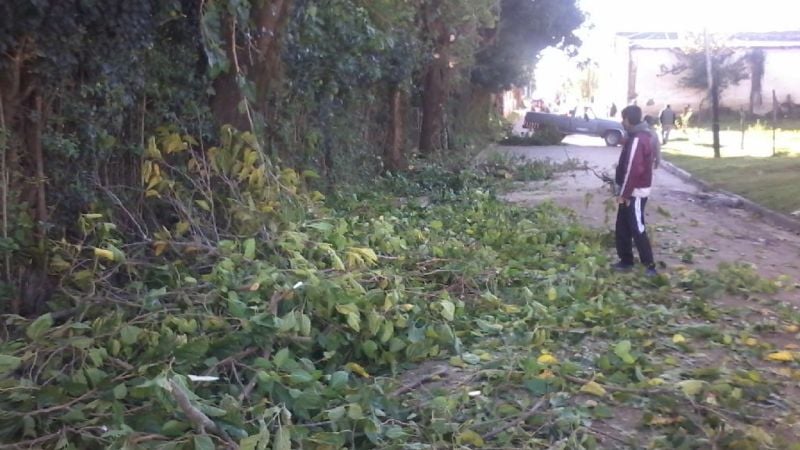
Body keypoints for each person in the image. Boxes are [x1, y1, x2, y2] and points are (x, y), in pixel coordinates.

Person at [613, 105, 657, 276]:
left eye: (623, 119)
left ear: (628, 120)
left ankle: (650, 266)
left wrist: (623, 195)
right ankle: (626, 261)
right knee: (622, 226)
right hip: (630, 190)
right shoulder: (635, 137)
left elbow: (633, 169)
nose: (621, 122)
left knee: (637, 227)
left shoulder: (639, 139)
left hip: (635, 192)